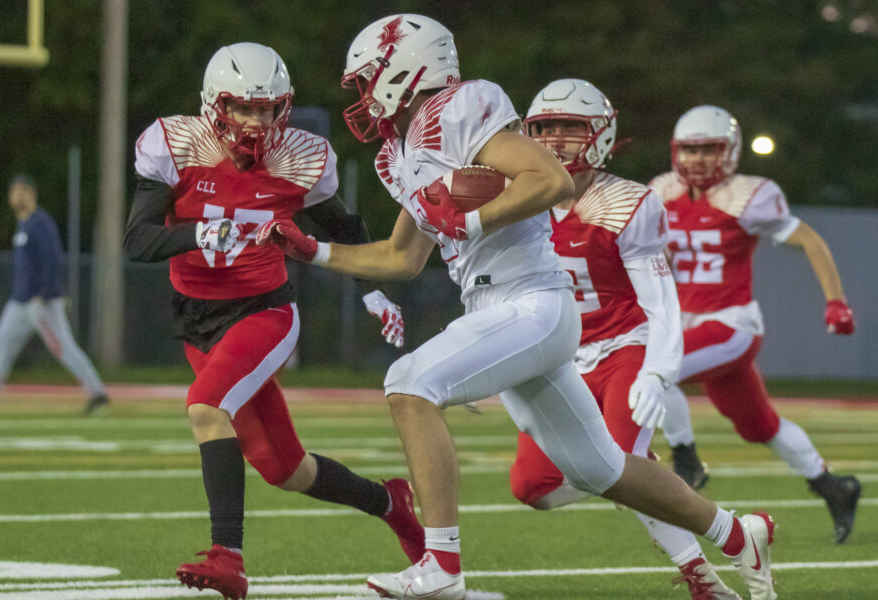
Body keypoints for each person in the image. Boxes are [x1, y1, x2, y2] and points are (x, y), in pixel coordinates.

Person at [258, 15, 778, 600]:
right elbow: (402, 256)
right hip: (501, 307)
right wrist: (315, 251)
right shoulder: (395, 156)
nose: (362, 92)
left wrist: (471, 218)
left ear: (404, 68)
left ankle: (441, 566)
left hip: (533, 300)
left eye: (367, 77)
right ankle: (739, 534)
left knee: (408, 383)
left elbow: (551, 179)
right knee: (600, 469)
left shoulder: (458, 107)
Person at [123, 42, 423, 600]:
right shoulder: (177, 145)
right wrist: (198, 234)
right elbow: (136, 240)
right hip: (197, 320)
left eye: (267, 109)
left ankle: (228, 557)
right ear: (216, 105)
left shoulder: (300, 158)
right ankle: (390, 503)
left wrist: (374, 293)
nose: (256, 121)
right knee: (286, 470)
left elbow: (343, 228)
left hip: (264, 310)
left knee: (207, 407)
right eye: (244, 107)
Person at [507, 79, 740, 599]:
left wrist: (658, 371)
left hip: (622, 345)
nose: (555, 140)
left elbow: (661, 302)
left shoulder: (627, 203)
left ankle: (704, 573)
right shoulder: (514, 196)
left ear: (602, 134)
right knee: (531, 488)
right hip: (556, 357)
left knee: (617, 465)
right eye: (545, 128)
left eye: (571, 128)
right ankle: (638, 481)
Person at [649, 105, 861, 545]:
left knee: (653, 367)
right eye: (691, 150)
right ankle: (832, 486)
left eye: (709, 149)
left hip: (731, 325)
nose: (698, 159)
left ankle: (686, 460)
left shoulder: (747, 196)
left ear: (730, 151)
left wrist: (836, 301)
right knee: (760, 425)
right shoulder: (663, 192)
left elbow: (810, 240)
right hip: (691, 325)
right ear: (675, 151)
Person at [0, 174, 109, 417]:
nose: (16, 196)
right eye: (13, 192)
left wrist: (45, 294)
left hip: (41, 302)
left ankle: (98, 395)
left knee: (64, 350)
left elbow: (52, 260)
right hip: (19, 302)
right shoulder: (22, 224)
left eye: (21, 191)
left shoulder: (41, 222)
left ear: (32, 194)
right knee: (1, 344)